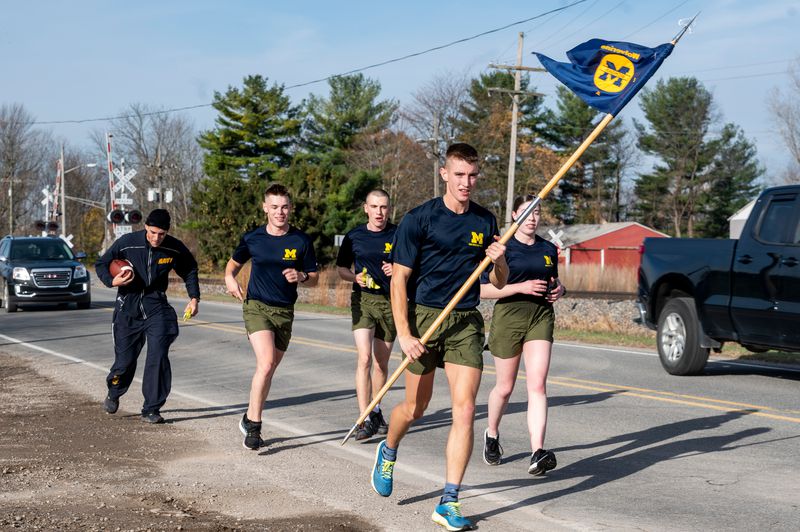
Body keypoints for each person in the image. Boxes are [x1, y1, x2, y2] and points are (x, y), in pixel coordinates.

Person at [370, 143, 508, 532]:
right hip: (424, 318)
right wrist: (405, 333)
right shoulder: (420, 219)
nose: (467, 182)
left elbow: (499, 281)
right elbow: (398, 281)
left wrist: (499, 259)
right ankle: (389, 449)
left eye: (473, 175)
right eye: (459, 175)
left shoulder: (485, 220)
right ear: (445, 174)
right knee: (416, 407)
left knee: (465, 410)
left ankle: (449, 500)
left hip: (464, 321)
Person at [224, 183, 318, 450]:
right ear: (265, 208)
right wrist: (229, 279)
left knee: (270, 369)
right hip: (257, 307)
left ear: (291, 208)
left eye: (285, 207)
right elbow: (232, 265)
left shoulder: (301, 241)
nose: (280, 212)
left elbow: (314, 278)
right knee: (265, 364)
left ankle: (248, 415)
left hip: (284, 311)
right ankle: (254, 427)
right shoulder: (253, 238)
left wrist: (301, 277)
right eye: (274, 207)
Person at [479, 195, 565, 475]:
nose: (532, 217)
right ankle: (492, 433)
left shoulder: (548, 249)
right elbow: (482, 290)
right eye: (526, 212)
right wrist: (520, 287)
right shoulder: (501, 248)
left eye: (537, 212)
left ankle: (537, 452)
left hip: (540, 317)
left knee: (537, 385)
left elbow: (555, 281)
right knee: (504, 387)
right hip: (509, 318)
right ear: (514, 214)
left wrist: (559, 290)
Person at [95, 208, 200, 424]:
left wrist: (194, 297)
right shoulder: (127, 242)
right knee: (124, 362)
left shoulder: (173, 247)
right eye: (152, 232)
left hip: (156, 307)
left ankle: (151, 408)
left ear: (167, 232)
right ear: (145, 228)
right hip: (128, 308)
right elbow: (102, 264)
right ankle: (114, 392)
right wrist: (111, 281)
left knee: (158, 355)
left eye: (161, 234)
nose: (156, 238)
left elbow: (189, 269)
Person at [336, 189, 397, 441]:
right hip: (363, 300)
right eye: (374, 207)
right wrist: (354, 277)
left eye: (383, 207)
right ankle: (363, 418)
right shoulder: (354, 236)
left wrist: (396, 269)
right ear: (366, 208)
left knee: (382, 363)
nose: (379, 212)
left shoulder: (398, 234)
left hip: (390, 302)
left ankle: (376, 409)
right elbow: (341, 268)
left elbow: (411, 266)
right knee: (364, 359)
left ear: (388, 209)